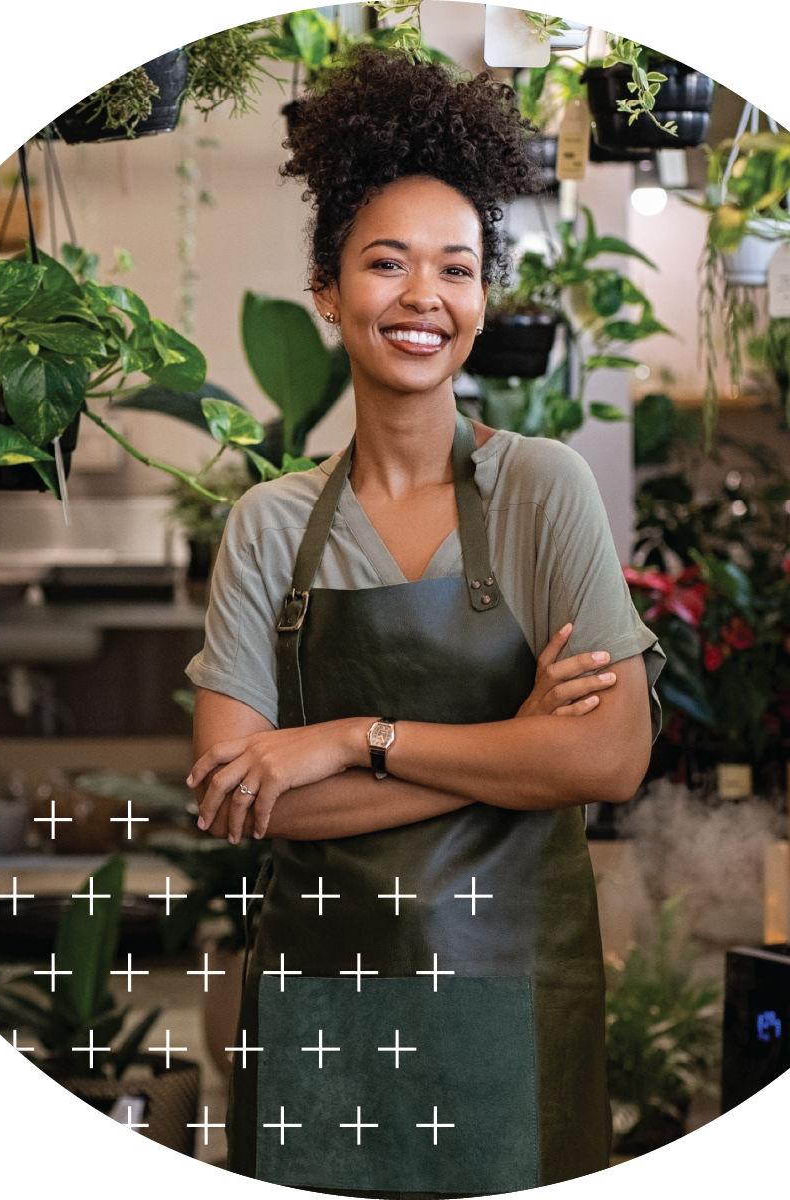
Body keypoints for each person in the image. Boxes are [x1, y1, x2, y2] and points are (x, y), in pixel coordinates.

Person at [185, 46, 665, 1196]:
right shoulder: (268, 524)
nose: (422, 298)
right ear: (326, 287)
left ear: (482, 298)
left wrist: (350, 741)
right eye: (386, 263)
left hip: (516, 983)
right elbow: (231, 793)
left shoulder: (542, 488)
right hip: (323, 997)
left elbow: (608, 756)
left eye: (455, 268)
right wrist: (515, 750)